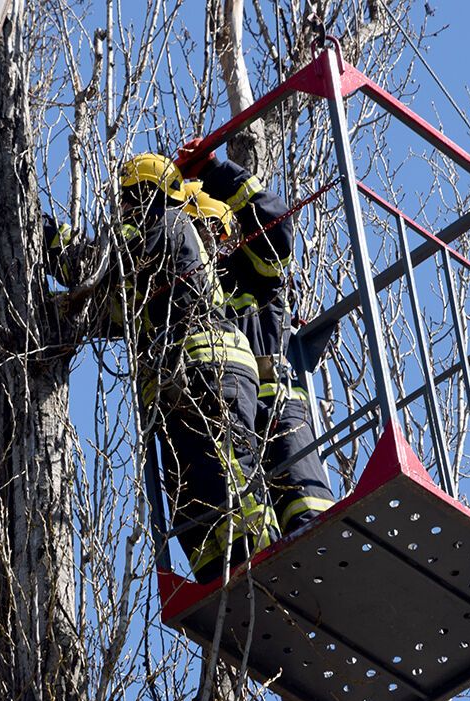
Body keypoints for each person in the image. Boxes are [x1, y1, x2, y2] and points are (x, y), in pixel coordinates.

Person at [45, 153, 277, 583]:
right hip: (180, 382)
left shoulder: (165, 224)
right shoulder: (150, 268)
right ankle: (216, 577)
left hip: (205, 370)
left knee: (227, 471)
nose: (122, 210)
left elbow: (90, 266)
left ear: (143, 194)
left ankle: (264, 557)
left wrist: (40, 233)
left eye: (127, 200)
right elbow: (109, 308)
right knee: (193, 498)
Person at [178, 142, 336, 536]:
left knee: (305, 512)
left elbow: (275, 226)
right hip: (229, 410)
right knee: (242, 525)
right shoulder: (184, 294)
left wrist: (215, 170)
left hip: (276, 407)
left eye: (200, 230)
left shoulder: (253, 269)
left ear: (218, 229)